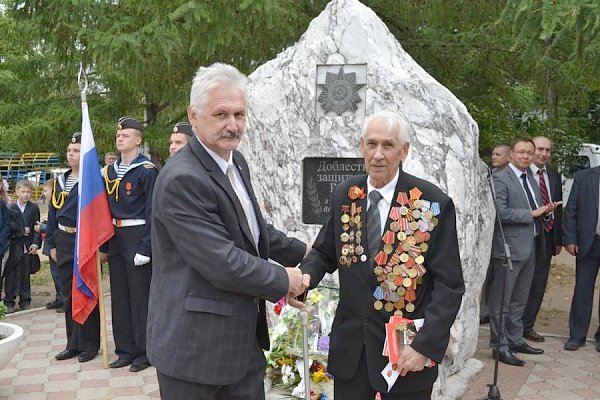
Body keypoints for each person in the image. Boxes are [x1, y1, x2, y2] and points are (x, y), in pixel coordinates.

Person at [147, 62, 310, 400]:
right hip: (196, 355)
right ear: (193, 116)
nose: (232, 125)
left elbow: (247, 227)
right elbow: (222, 260)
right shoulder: (183, 179)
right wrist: (285, 280)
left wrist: (301, 251)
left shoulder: (234, 162)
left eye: (239, 114)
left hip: (242, 347)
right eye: (221, 114)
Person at [298, 111, 464, 400]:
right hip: (352, 354)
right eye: (371, 144)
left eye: (387, 145)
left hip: (404, 358)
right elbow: (325, 251)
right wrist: (302, 279)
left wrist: (423, 346)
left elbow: (449, 285)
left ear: (404, 150)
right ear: (361, 145)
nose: (377, 154)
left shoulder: (431, 202)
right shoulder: (345, 194)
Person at [488, 138, 559, 366]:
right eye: (521, 152)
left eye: (530, 153)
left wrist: (546, 212)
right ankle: (499, 346)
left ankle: (516, 339)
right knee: (502, 301)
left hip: (531, 246)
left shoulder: (529, 178)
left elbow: (535, 210)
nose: (526, 157)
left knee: (520, 300)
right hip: (508, 249)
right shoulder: (500, 178)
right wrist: (532, 214)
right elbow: (500, 213)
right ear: (511, 155)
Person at [101, 116, 158, 372]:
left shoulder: (147, 170)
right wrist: (103, 245)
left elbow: (153, 212)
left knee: (140, 298)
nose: (120, 138)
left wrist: (146, 247)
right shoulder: (110, 172)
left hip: (137, 236)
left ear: (138, 140)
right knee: (120, 296)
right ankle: (124, 350)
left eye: (126, 135)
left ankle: (144, 352)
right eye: (118, 135)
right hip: (115, 236)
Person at [46, 132, 100, 363]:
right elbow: (52, 214)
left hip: (84, 241)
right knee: (68, 293)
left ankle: (90, 344)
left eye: (76, 150)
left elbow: (98, 215)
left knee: (86, 291)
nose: (71, 154)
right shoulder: (60, 180)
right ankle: (73, 342)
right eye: (69, 150)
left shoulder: (91, 181)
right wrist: (51, 243)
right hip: (64, 241)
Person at [522, 136, 562, 342]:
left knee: (538, 283)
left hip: (546, 237)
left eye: (547, 150)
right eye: (539, 149)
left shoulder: (554, 176)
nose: (543, 154)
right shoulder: (519, 175)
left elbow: (558, 209)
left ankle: (527, 325)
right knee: (520, 283)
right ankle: (511, 327)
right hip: (524, 235)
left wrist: (559, 239)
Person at [563, 165, 600, 351]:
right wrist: (570, 238)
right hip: (589, 243)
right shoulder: (584, 176)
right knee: (583, 289)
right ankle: (577, 336)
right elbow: (571, 209)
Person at [480, 143, 512, 325]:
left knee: (496, 281)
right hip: (488, 236)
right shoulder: (490, 174)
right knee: (488, 278)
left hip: (501, 237)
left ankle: (489, 313)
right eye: (493, 154)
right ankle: (485, 312)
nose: (494, 157)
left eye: (499, 154)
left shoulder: (504, 178)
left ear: (509, 157)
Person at [3, 179, 41, 313]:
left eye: (29, 192)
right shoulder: (10, 208)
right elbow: (8, 226)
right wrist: (20, 231)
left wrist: (36, 244)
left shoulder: (34, 207)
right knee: (11, 274)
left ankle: (25, 300)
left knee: (25, 274)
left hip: (28, 246)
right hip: (14, 246)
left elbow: (37, 227)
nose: (26, 195)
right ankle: (9, 301)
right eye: (23, 192)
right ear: (17, 192)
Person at [37, 179, 64, 313]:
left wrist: (42, 227)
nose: (43, 193)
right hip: (50, 245)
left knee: (61, 274)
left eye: (45, 190)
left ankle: (65, 300)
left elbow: (57, 225)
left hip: (58, 245)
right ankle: (59, 298)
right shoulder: (50, 205)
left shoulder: (59, 204)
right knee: (55, 274)